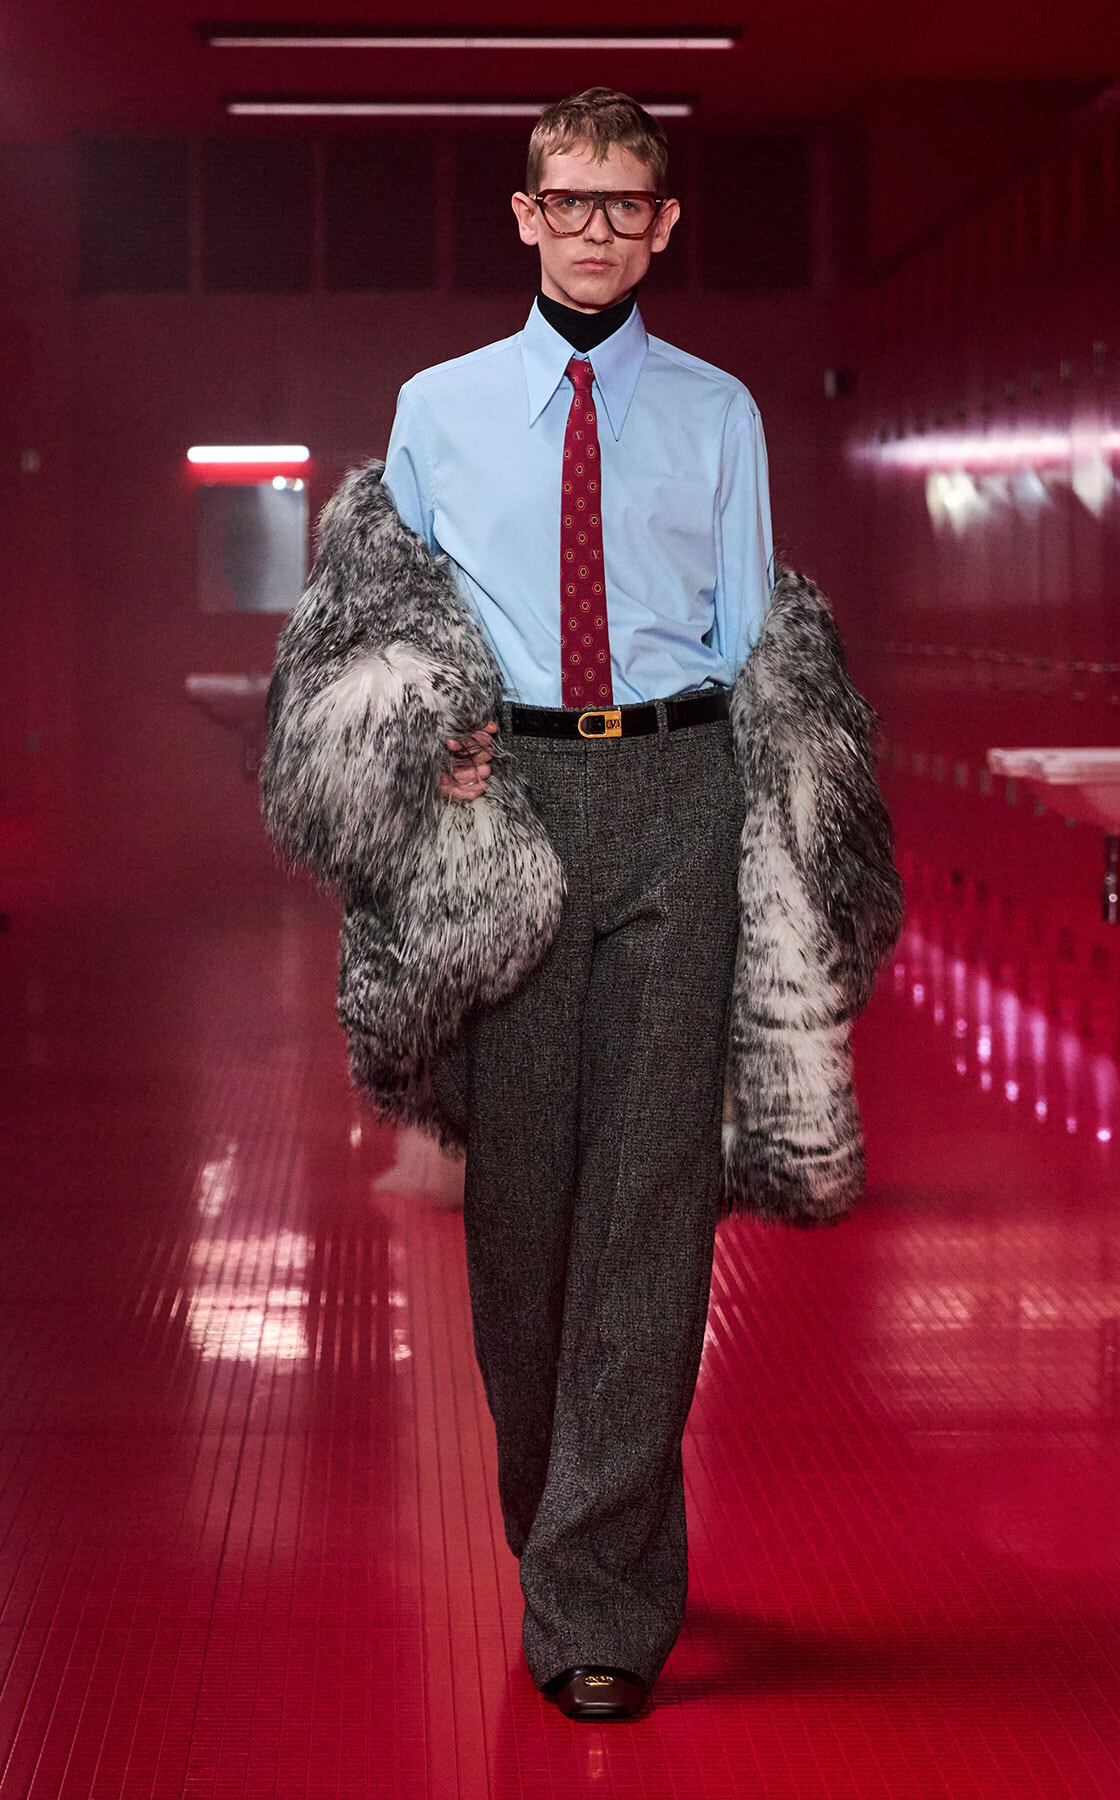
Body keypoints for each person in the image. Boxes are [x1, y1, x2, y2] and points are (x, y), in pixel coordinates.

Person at [260, 88, 902, 1724]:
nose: (601, 227)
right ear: (527, 214)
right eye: (575, 201)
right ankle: (560, 1529)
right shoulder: (439, 410)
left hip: (682, 795)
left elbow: (761, 640)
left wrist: (781, 849)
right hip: (517, 804)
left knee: (651, 1209)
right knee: (525, 1211)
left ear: (664, 224)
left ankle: (601, 1605)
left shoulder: (720, 413)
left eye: (632, 204)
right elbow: (369, 618)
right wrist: (426, 734)